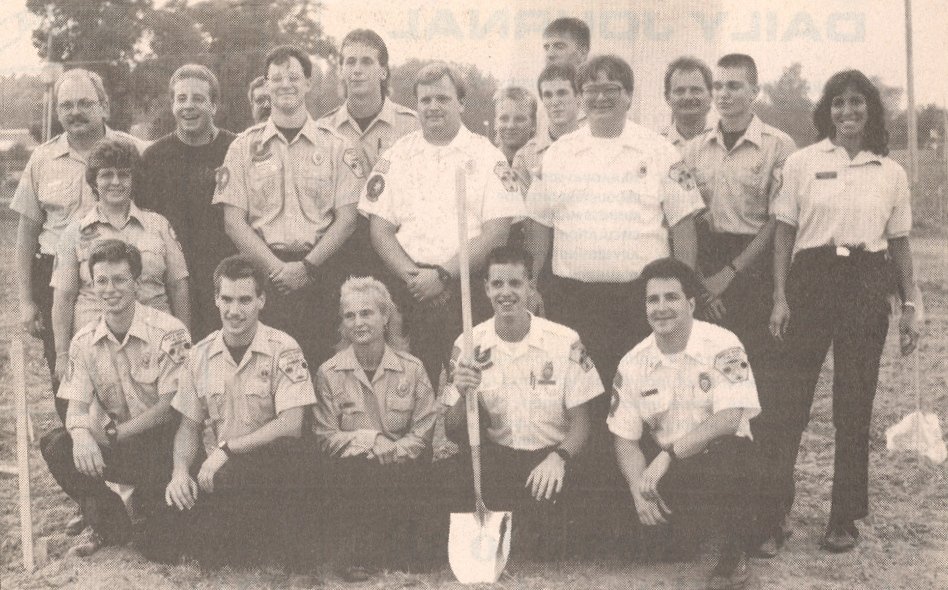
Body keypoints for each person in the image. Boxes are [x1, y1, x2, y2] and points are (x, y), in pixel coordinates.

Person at [769, 70, 920, 553]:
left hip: (865, 283)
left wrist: (912, 304)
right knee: (790, 405)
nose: (847, 111)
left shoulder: (890, 171)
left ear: (871, 110)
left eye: (856, 103)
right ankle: (773, 514)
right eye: (838, 102)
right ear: (826, 110)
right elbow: (784, 233)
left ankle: (842, 517)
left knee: (853, 408)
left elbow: (899, 243)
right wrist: (779, 296)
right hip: (810, 280)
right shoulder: (802, 162)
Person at [525, 54, 704, 392]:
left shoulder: (659, 150)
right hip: (573, 299)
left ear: (629, 96)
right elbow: (539, 225)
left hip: (638, 299)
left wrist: (683, 288)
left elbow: (683, 224)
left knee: (642, 391)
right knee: (581, 394)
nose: (601, 97)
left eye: (612, 89)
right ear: (580, 97)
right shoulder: (558, 154)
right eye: (591, 90)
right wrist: (533, 284)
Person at [680, 53, 797, 556]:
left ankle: (768, 521)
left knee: (759, 402)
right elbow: (688, 219)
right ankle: (717, 518)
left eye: (735, 86)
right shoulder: (693, 148)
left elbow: (777, 222)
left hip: (751, 274)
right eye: (719, 86)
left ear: (755, 91)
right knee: (713, 398)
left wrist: (731, 276)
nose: (725, 94)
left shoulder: (779, 146)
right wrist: (704, 286)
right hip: (706, 276)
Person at [358, 62, 525, 390]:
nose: (432, 107)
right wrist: (414, 278)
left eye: (442, 99)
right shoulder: (398, 156)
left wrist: (443, 275)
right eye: (425, 100)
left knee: (469, 387)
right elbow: (379, 229)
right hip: (409, 289)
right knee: (406, 388)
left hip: (466, 287)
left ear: (460, 103)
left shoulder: (487, 156)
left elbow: (497, 232)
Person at [439, 246, 601, 558]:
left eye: (515, 283)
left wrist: (560, 458)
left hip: (552, 458)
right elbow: (451, 429)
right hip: (500, 459)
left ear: (530, 286)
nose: (506, 293)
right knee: (448, 482)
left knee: (561, 539)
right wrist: (462, 392)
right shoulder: (468, 343)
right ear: (486, 288)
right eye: (497, 284)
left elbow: (583, 422)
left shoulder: (564, 340)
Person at [610, 257, 760, 590]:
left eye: (671, 297)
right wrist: (638, 491)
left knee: (733, 457)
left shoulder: (723, 344)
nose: (661, 308)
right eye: (653, 299)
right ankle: (700, 542)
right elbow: (625, 439)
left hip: (719, 462)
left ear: (691, 304)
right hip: (670, 474)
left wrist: (669, 455)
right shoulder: (633, 362)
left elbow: (729, 417)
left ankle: (730, 557)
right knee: (635, 535)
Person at [160, 254, 317, 567]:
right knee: (167, 538)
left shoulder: (283, 348)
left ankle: (283, 552)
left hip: (275, 466)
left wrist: (228, 449)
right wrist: (179, 473)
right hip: (225, 469)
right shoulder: (200, 355)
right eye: (227, 299)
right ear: (216, 299)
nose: (234, 311)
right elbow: (189, 427)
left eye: (245, 300)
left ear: (262, 300)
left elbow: (291, 424)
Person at [216, 45, 365, 370]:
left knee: (326, 370)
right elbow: (233, 222)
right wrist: (275, 269)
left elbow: (348, 219)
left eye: (294, 77)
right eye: (277, 78)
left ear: (308, 83)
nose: (285, 84)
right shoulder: (242, 147)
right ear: (266, 85)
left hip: (321, 273)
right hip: (265, 275)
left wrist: (307, 267)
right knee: (268, 371)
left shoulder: (337, 146)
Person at [11, 68, 146, 422]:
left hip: (123, 278)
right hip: (58, 282)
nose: (75, 112)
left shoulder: (136, 153)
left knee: (131, 373)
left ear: (104, 106)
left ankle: (131, 465)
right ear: (57, 113)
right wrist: (26, 300)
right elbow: (25, 236)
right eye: (66, 105)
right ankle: (83, 461)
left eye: (85, 103)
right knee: (70, 374)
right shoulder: (42, 160)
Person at [40, 240, 189, 557]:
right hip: (120, 444)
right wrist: (81, 435)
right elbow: (75, 406)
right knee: (57, 444)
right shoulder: (83, 342)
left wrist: (115, 434)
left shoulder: (169, 332)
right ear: (92, 286)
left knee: (159, 549)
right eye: (101, 281)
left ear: (136, 283)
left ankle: (147, 513)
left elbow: (170, 409)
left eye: (120, 280)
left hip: (164, 448)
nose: (110, 289)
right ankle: (109, 523)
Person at [312, 277, 437, 581]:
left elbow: (423, 434)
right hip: (353, 478)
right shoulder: (328, 373)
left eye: (366, 313)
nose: (358, 322)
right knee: (351, 476)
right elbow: (325, 436)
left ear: (385, 317)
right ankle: (357, 556)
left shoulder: (413, 369)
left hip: (402, 472)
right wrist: (373, 440)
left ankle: (401, 549)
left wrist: (393, 451)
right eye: (349, 316)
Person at [51, 139, 190, 393]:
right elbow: (64, 297)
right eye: (106, 175)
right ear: (94, 181)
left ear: (134, 179)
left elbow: (178, 287)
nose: (115, 182)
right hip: (96, 345)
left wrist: (185, 343)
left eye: (124, 174)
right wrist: (62, 353)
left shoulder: (158, 226)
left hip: (155, 342)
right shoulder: (75, 232)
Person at [140, 64, 237, 341]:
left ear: (214, 105)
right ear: (172, 104)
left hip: (224, 276)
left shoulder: (236, 150)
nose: (189, 106)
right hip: (172, 279)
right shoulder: (155, 157)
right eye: (181, 99)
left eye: (198, 98)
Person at [317, 29, 419, 281]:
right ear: (341, 70)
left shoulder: (411, 126)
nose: (357, 70)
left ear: (383, 71)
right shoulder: (323, 130)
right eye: (349, 62)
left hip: (398, 245)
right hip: (340, 248)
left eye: (366, 61)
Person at [512, 63, 582, 195]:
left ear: (578, 98)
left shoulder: (593, 148)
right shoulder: (525, 157)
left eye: (562, 93)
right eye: (548, 95)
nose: (555, 101)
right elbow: (522, 212)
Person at [661, 56, 714, 149]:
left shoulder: (728, 145)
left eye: (695, 90)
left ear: (711, 95)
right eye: (679, 91)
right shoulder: (654, 147)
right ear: (667, 97)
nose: (687, 97)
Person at [493, 86, 537, 165]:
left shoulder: (544, 165)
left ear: (533, 123)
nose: (510, 126)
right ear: (495, 123)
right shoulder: (483, 165)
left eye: (519, 119)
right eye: (504, 118)